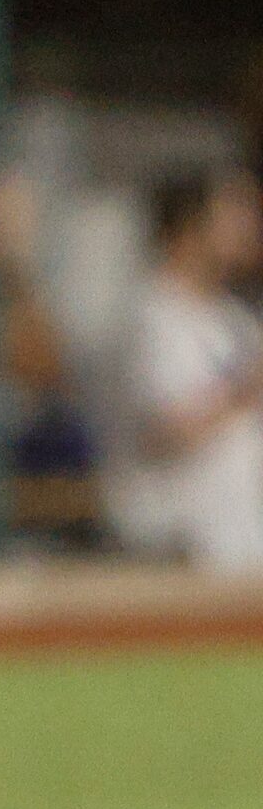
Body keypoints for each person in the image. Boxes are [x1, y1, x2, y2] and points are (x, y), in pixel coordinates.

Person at [108, 167, 263, 571]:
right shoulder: (149, 315)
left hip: (239, 542)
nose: (248, 227)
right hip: (173, 548)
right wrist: (248, 387)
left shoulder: (235, 319)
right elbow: (166, 431)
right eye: (232, 214)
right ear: (189, 228)